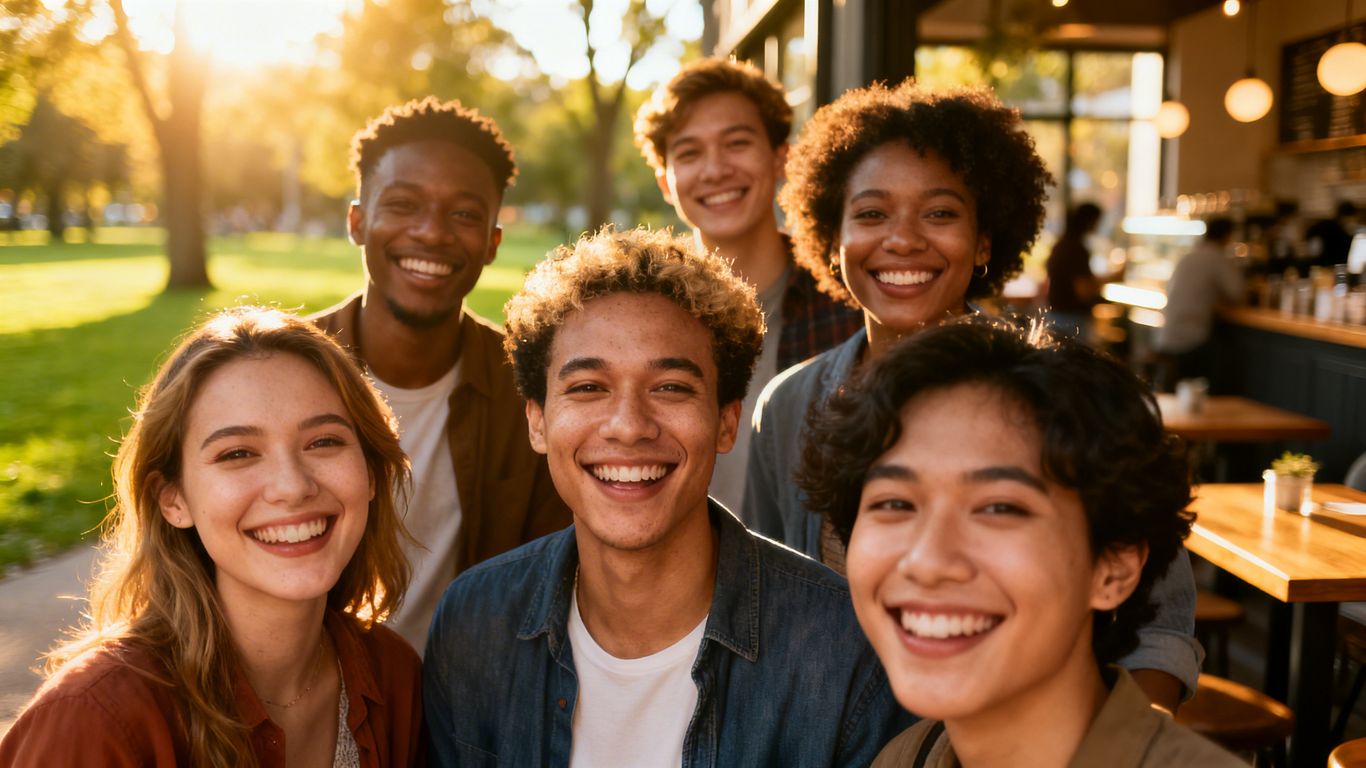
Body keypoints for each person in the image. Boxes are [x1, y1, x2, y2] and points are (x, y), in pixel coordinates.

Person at [744, 80, 1201, 711]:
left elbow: (1160, 632)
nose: (903, 240)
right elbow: (768, 609)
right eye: (872, 213)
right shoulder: (789, 405)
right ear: (832, 237)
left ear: (985, 240)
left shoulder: (1070, 398)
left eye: (940, 213)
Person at [423, 227, 908, 765]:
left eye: (671, 388)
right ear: (537, 422)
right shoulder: (472, 626)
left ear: (727, 422)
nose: (629, 427)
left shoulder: (845, 650)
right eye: (588, 388)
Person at [796, 317, 1241, 767]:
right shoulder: (904, 757)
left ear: (1115, 567)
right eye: (895, 503)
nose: (927, 561)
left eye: (999, 508)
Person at [0, 307, 423, 767]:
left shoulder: (392, 674)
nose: (293, 486)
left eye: (324, 442)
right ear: (173, 499)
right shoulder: (91, 720)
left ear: (371, 473)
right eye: (238, 453)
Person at [311, 96, 569, 651]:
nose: (431, 233)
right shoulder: (276, 373)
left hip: (466, 708)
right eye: (403, 205)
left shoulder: (530, 390)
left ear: (493, 242)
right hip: (306, 702)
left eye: (464, 214)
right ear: (357, 221)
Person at [634, 58, 862, 514]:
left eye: (737, 143)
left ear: (782, 157)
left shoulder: (850, 306)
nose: (715, 170)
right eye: (690, 153)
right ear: (666, 182)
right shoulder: (640, 313)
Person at [1156, 218, 1244, 388]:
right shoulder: (1216, 257)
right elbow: (1237, 293)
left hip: (1167, 335)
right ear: (1227, 236)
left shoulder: (1189, 256)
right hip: (1191, 339)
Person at [1044, 202, 1123, 341]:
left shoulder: (1062, 245)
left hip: (1058, 315)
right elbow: (1083, 290)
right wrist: (1113, 278)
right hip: (1072, 319)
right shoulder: (1076, 249)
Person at [1306, 200, 1360, 269]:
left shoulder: (1324, 225)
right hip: (1333, 267)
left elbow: (1309, 235)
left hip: (1321, 265)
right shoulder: (1343, 231)